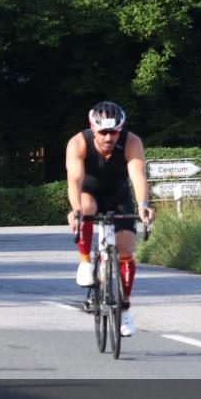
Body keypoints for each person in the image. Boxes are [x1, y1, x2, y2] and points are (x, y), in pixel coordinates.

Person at [65, 101, 154, 337]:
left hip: (118, 194)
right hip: (89, 191)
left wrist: (144, 206)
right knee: (85, 207)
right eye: (103, 132)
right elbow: (74, 181)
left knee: (125, 248)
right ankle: (85, 261)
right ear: (93, 129)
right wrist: (75, 210)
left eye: (113, 131)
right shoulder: (78, 143)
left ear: (120, 129)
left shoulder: (131, 141)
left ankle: (124, 310)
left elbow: (138, 176)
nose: (108, 137)